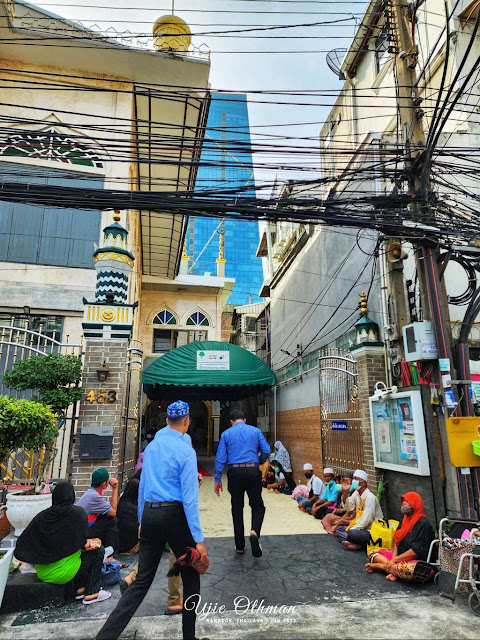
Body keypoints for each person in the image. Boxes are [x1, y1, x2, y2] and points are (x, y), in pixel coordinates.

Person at [96, 400, 207, 640]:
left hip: (150, 514)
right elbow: (189, 499)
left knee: (141, 581)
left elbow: (144, 486)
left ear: (167, 421)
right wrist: (198, 538)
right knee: (191, 576)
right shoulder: (186, 451)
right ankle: (189, 636)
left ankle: (105, 636)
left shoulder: (152, 448)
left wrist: (141, 520)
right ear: (187, 421)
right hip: (175, 516)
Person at [15, 481, 110, 604]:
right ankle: (92, 592)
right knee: (98, 551)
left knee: (74, 553)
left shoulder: (42, 517)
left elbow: (22, 545)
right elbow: (81, 543)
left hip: (43, 573)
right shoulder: (78, 514)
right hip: (65, 573)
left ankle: (79, 589)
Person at [214, 409, 270, 557]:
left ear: (231, 422)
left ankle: (239, 546)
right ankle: (254, 532)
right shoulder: (256, 431)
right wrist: (260, 461)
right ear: (244, 419)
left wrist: (217, 479)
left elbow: (220, 458)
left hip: (235, 473)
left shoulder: (226, 434)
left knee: (237, 508)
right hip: (252, 471)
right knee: (257, 505)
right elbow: (266, 449)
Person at [365, 492, 435, 582]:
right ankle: (393, 571)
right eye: (403, 501)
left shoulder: (423, 523)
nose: (403, 503)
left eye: (407, 501)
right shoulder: (405, 519)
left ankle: (381, 566)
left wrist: (395, 560)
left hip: (417, 562)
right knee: (372, 553)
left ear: (415, 504)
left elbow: (416, 552)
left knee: (410, 570)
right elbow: (397, 540)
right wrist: (394, 559)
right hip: (400, 558)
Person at [77, 467, 119, 558]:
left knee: (104, 516)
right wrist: (115, 488)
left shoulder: (90, 492)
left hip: (81, 529)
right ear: (104, 484)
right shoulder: (95, 497)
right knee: (111, 519)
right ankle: (110, 552)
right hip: (84, 532)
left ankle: (108, 550)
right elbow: (113, 512)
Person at [336, 469, 384, 550]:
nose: (353, 481)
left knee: (351, 533)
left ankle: (360, 545)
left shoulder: (370, 498)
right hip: (359, 528)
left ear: (364, 482)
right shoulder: (356, 493)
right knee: (339, 529)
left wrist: (351, 529)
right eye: (353, 478)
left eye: (356, 479)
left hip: (371, 530)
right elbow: (348, 507)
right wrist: (345, 492)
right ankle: (354, 542)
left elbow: (366, 521)